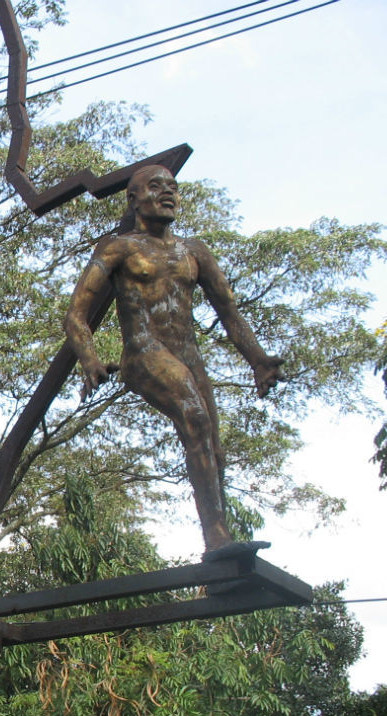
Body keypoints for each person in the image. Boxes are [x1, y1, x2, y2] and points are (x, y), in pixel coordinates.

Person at [63, 164, 285, 556]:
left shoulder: (194, 251)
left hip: (187, 356)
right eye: (155, 187)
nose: (167, 193)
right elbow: (76, 316)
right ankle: (217, 539)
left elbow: (230, 313)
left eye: (172, 187)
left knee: (213, 447)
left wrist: (258, 361)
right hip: (144, 354)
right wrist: (90, 360)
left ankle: (220, 538)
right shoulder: (118, 248)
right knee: (195, 417)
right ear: (134, 200)